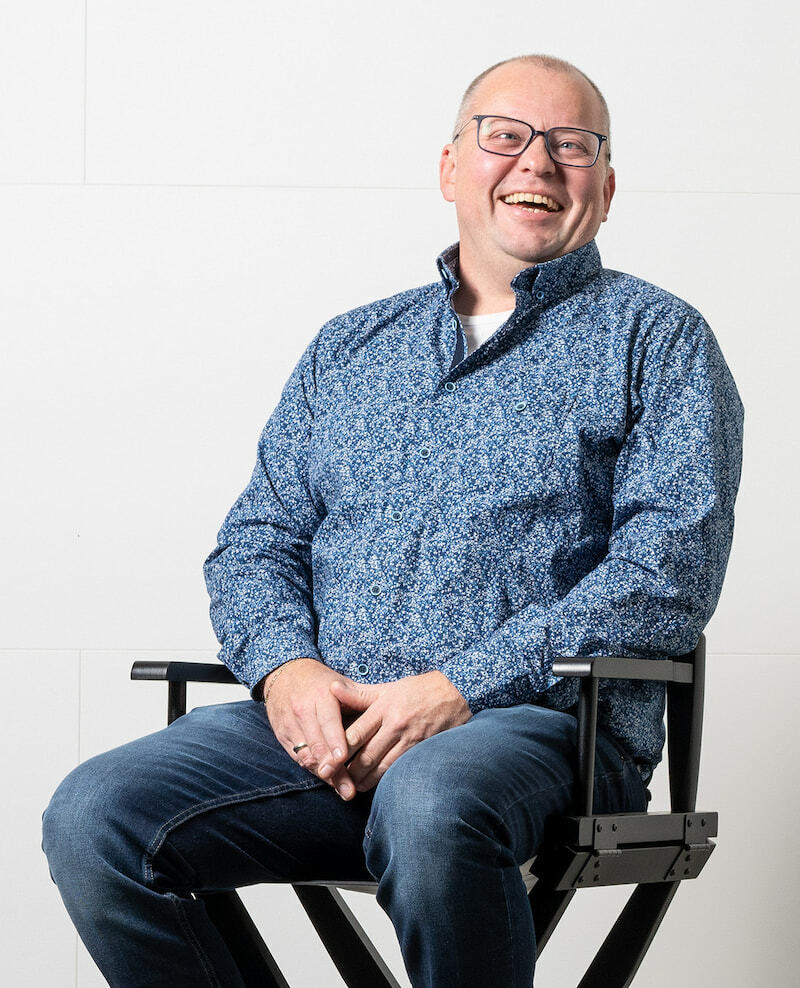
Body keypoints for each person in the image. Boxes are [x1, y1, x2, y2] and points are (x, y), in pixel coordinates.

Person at [42, 54, 743, 987]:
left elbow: (666, 577)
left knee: (429, 797)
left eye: (571, 146)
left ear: (605, 190)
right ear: (451, 168)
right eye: (505, 136)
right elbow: (258, 541)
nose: (536, 163)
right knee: (96, 815)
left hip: (544, 735)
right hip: (329, 737)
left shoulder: (659, 339)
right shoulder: (350, 346)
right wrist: (285, 669)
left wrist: (459, 686)